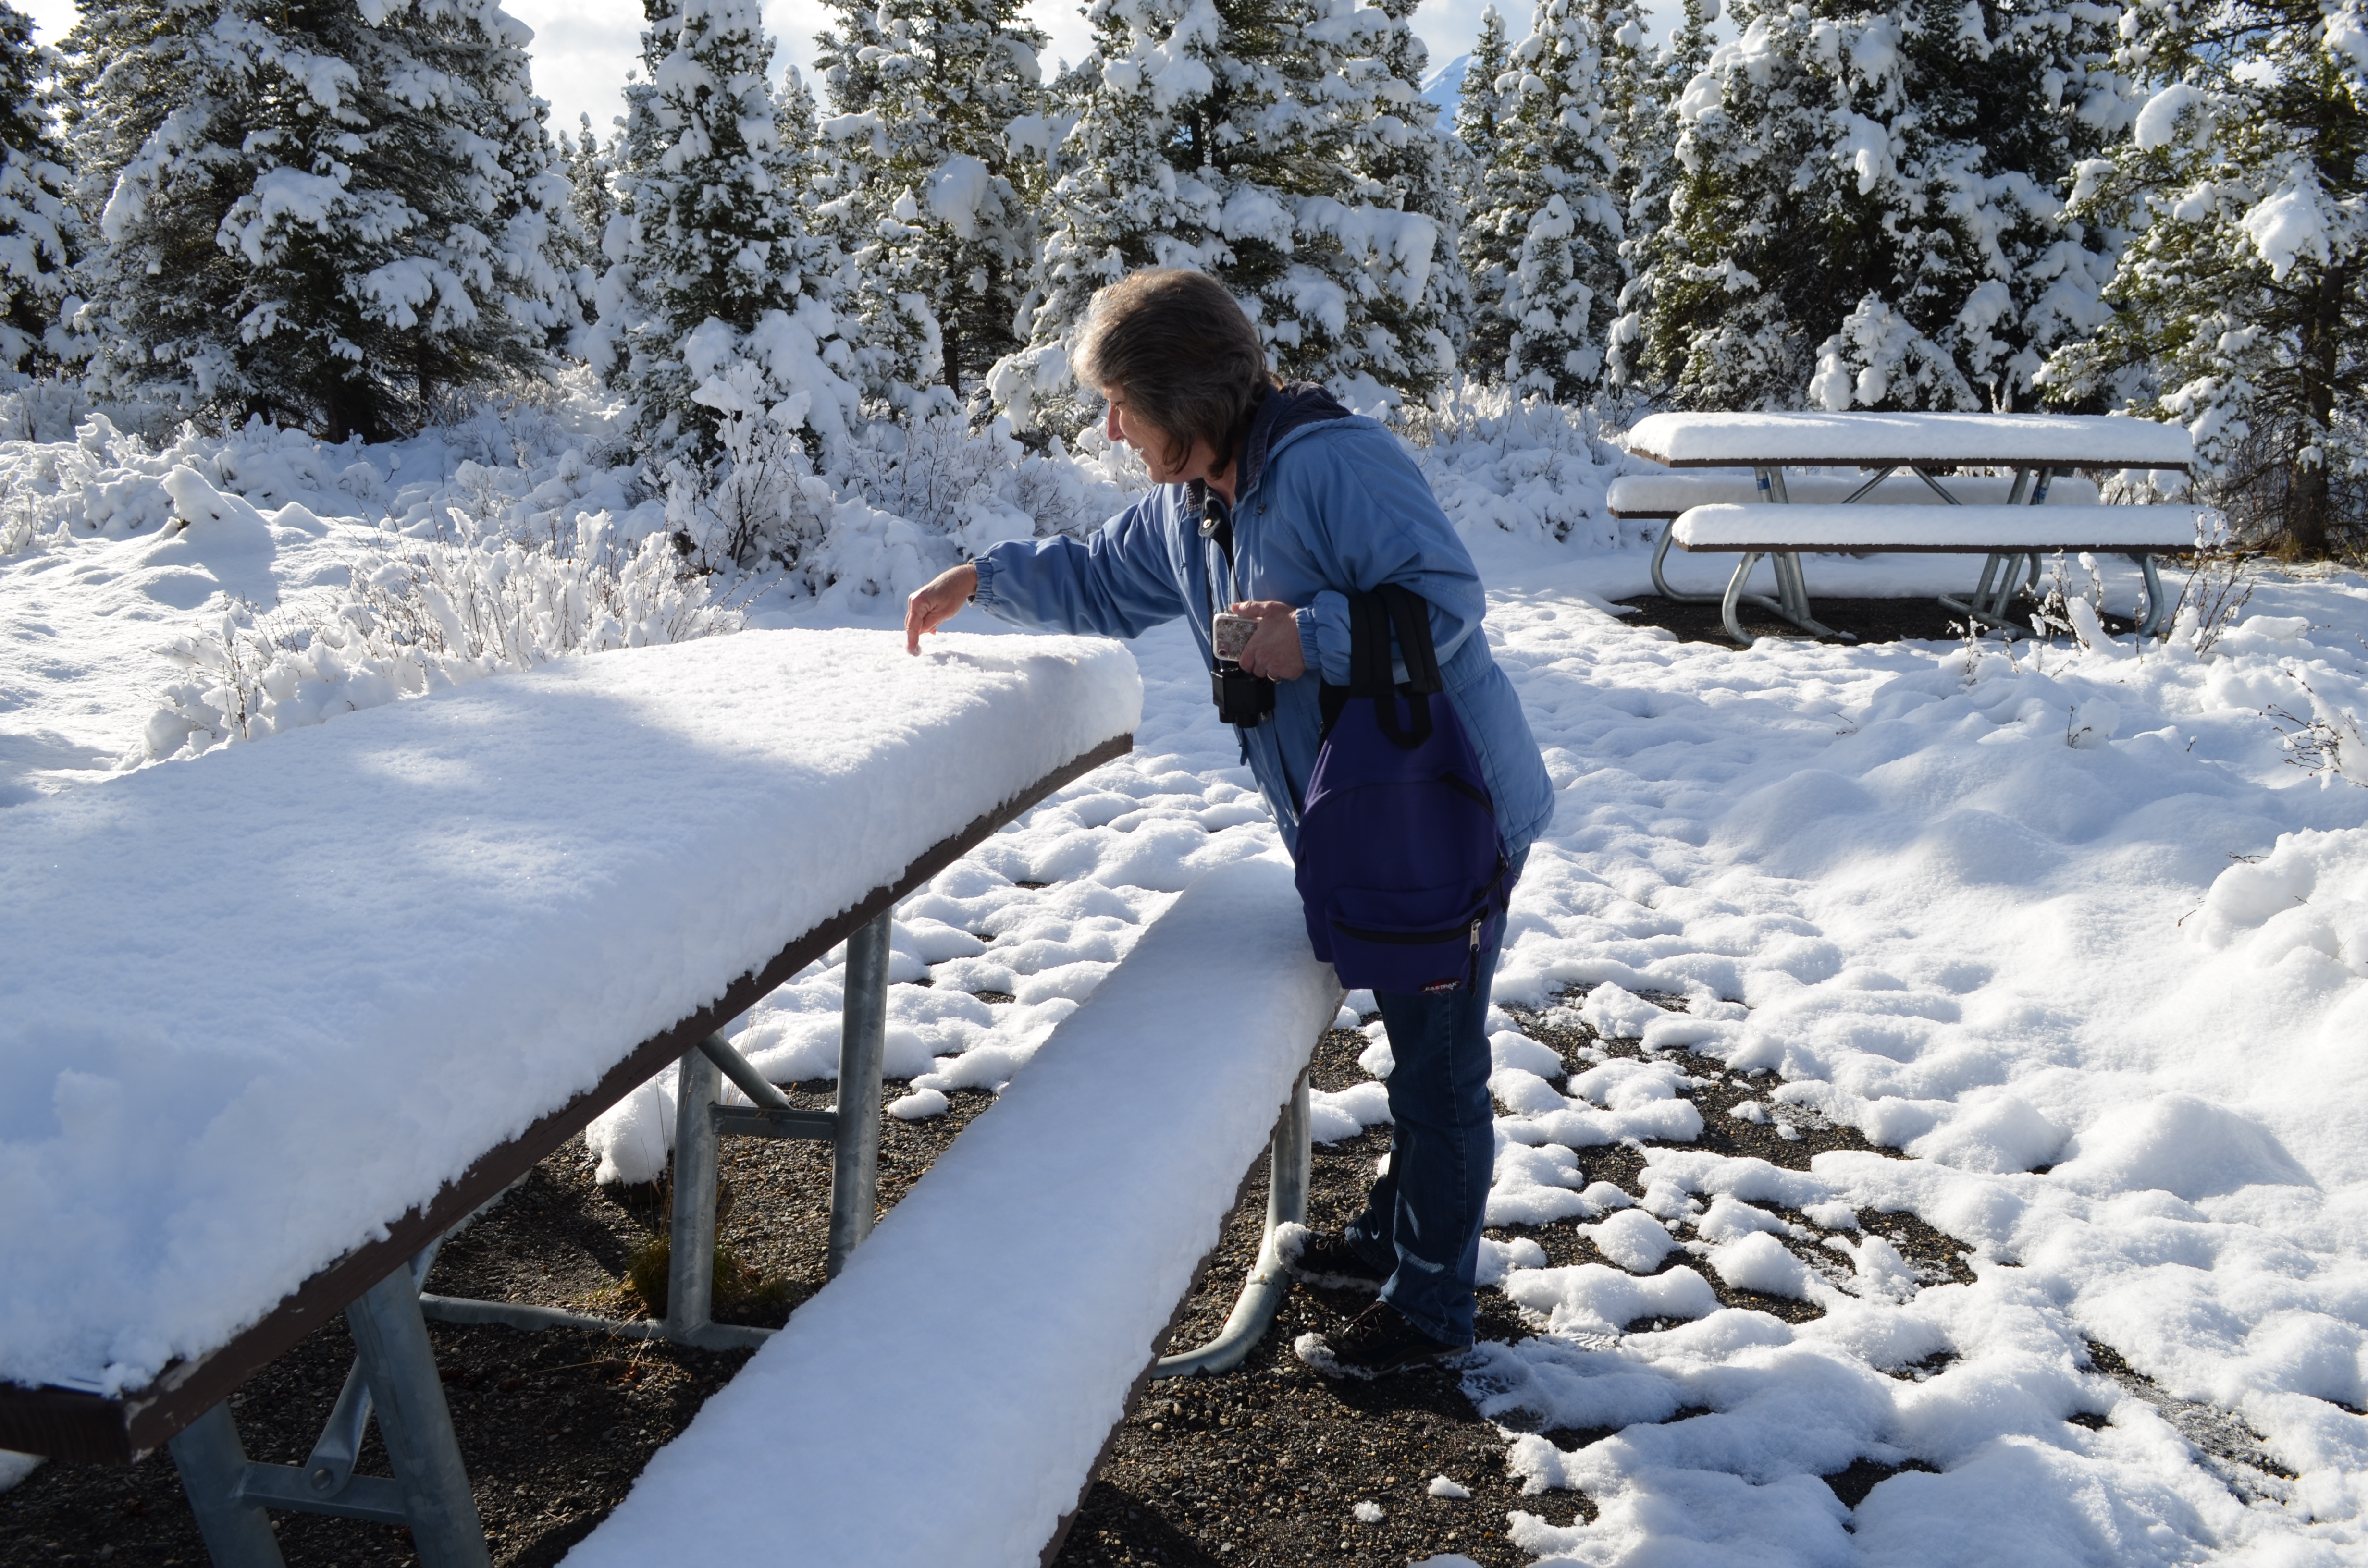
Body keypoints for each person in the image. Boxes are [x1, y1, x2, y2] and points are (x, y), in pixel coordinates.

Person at [904, 268, 1553, 1375]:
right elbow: (1103, 581)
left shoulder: (1331, 465)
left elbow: (1447, 601)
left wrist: (1312, 638)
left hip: (1447, 817)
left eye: (1123, 405)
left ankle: (1433, 1313)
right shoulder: (1195, 503)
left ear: (1188, 400)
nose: (1110, 430)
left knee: (1436, 1065)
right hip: (1371, 828)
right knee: (1417, 1044)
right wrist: (985, 580)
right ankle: (1401, 1237)